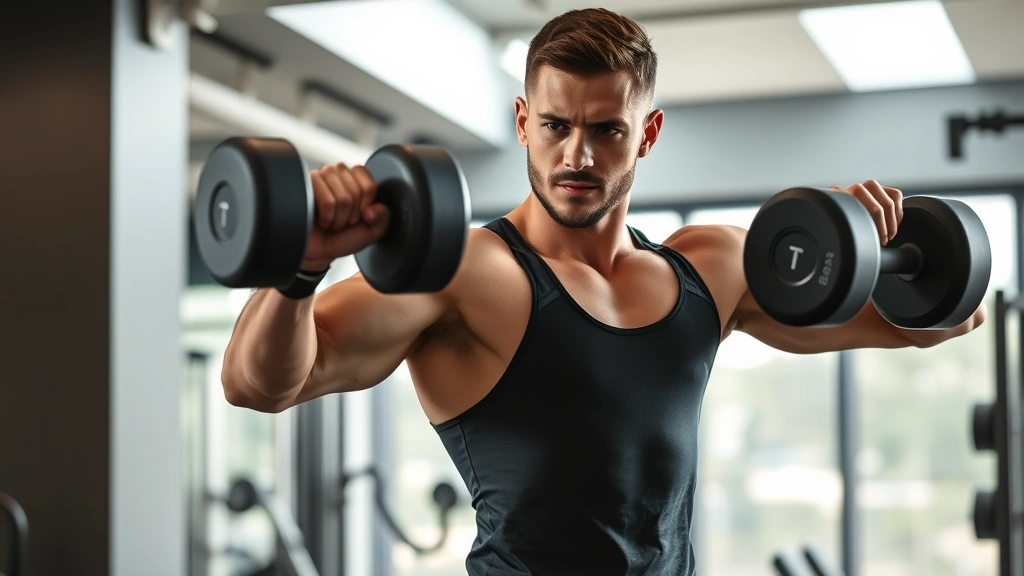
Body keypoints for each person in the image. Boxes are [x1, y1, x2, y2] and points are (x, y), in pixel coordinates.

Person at [220, 8, 987, 575]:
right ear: (523, 122)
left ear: (647, 133)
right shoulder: (467, 271)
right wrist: (300, 270)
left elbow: (934, 320)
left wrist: (875, 248)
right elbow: (256, 384)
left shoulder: (711, 268)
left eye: (607, 131)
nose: (577, 156)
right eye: (555, 126)